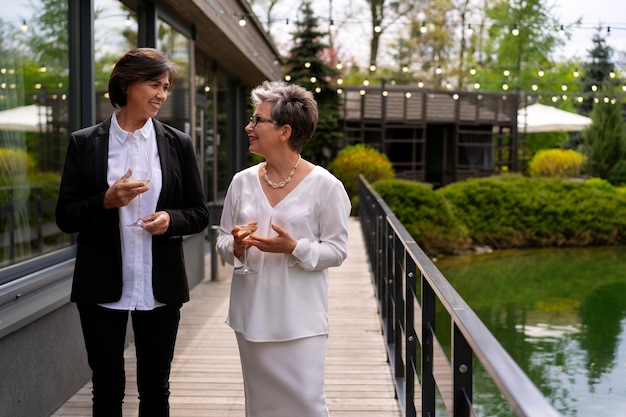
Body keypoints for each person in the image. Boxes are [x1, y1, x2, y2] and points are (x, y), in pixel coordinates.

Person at [55, 48, 209, 417]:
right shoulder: (84, 142)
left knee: (156, 387)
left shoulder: (178, 143)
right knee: (106, 388)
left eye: (167, 87)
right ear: (126, 84)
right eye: (154, 84)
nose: (162, 94)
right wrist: (105, 201)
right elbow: (65, 216)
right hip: (101, 286)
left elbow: (199, 213)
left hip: (161, 286)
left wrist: (171, 220)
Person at [216, 80, 351, 417]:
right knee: (260, 407)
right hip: (251, 316)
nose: (248, 127)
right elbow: (220, 239)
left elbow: (337, 250)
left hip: (300, 321)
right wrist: (235, 246)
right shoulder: (241, 181)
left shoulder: (326, 187)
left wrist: (295, 248)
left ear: (284, 131)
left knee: (306, 405)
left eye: (257, 120)